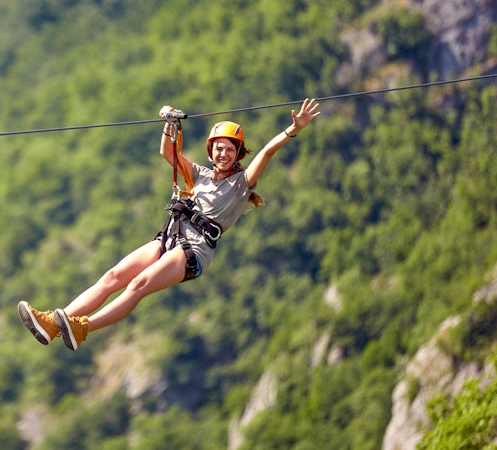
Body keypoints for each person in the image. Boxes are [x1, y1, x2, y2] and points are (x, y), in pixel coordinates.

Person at [18, 98, 322, 351]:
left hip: (194, 250)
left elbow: (267, 152)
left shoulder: (241, 183)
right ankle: (52, 326)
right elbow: (168, 152)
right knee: (112, 277)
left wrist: (293, 129)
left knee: (137, 285)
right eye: (219, 147)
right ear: (211, 150)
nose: (223, 153)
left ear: (238, 153)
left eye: (230, 149)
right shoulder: (200, 174)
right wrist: (170, 125)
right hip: (170, 238)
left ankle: (82, 328)